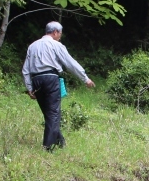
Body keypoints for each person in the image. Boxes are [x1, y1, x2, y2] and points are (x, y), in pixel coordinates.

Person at [22, 21, 95, 150]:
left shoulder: (32, 46)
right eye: (60, 33)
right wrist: (85, 79)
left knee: (48, 113)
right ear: (55, 32)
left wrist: (29, 88)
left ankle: (60, 142)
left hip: (36, 80)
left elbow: (26, 69)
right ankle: (47, 147)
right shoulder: (56, 45)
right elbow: (70, 63)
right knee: (54, 113)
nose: (60, 36)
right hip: (51, 79)